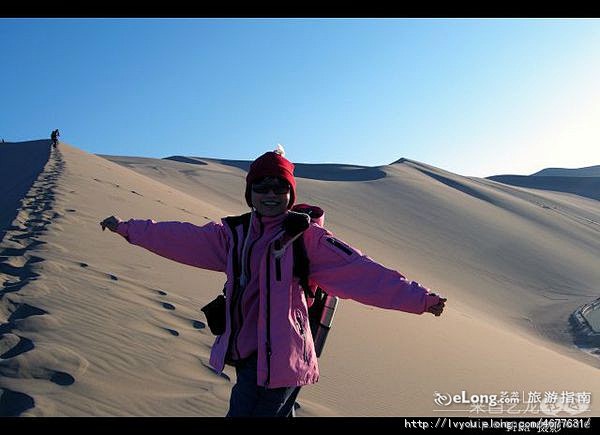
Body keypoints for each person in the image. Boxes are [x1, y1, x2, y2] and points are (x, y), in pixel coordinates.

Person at [100, 146, 447, 417]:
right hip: (246, 349)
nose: (270, 194)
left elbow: (364, 273)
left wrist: (420, 299)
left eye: (279, 187)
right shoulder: (232, 236)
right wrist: (129, 228)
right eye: (262, 187)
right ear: (250, 193)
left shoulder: (308, 239)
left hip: (283, 356)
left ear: (290, 194)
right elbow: (179, 237)